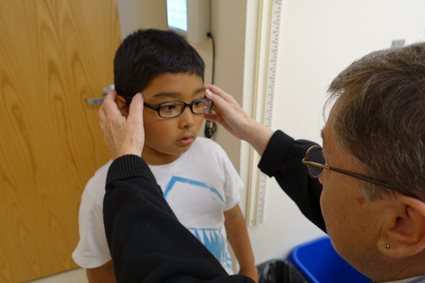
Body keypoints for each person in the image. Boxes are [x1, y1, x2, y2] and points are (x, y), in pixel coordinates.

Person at [100, 42, 425, 283]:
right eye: (170, 106)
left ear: (403, 225)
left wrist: (126, 169)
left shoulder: (212, 157)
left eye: (327, 165)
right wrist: (259, 135)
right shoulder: (96, 192)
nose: (317, 175)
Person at [73, 29, 258, 283]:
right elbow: (100, 266)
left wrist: (249, 271)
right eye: (169, 107)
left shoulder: (213, 155)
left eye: (198, 102)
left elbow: (232, 216)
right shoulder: (102, 190)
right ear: (124, 109)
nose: (189, 121)